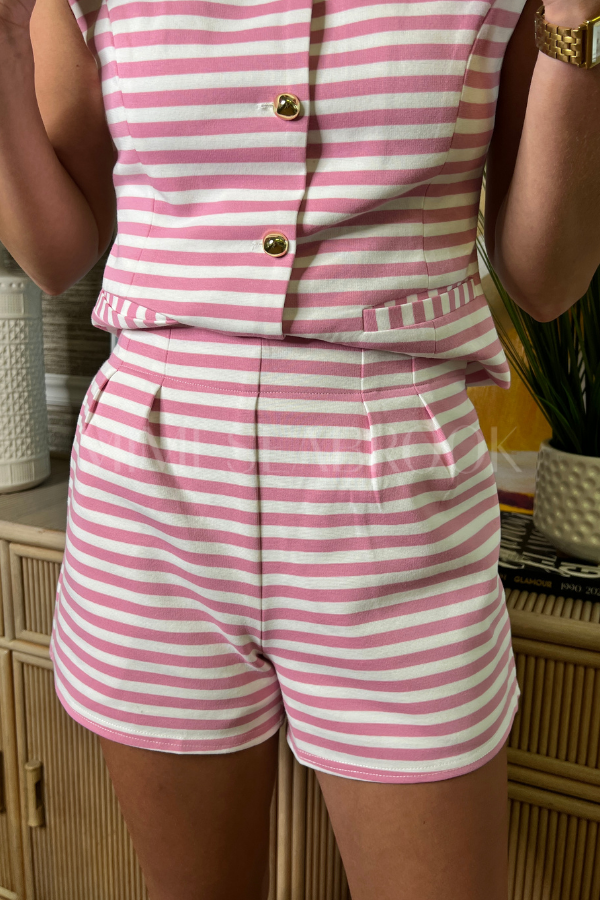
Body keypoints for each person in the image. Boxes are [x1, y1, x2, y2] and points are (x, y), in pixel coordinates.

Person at [1, 0, 598, 895]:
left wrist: (580, 27)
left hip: (398, 494)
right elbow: (56, 254)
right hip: (152, 490)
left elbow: (546, 279)